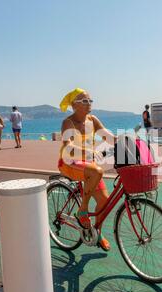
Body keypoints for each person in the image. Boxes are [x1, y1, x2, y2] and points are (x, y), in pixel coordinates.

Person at [58, 88, 115, 252]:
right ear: (74, 105)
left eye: (90, 100)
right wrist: (87, 152)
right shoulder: (67, 123)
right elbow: (67, 147)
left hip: (89, 166)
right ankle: (82, 210)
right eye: (84, 101)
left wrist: (127, 139)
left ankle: (97, 233)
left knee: (105, 202)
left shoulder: (93, 120)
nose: (89, 103)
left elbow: (109, 137)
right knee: (97, 171)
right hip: (69, 162)